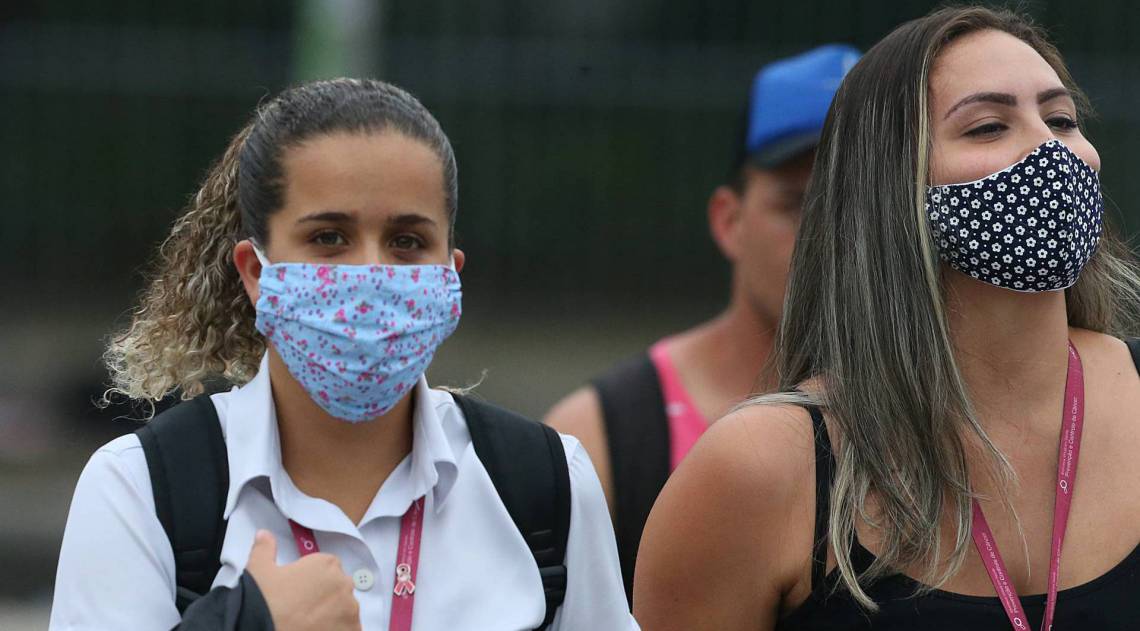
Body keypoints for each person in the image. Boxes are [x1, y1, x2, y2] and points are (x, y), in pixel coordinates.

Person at [50, 78, 634, 631]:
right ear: (256, 273)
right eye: (329, 237)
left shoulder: (547, 485)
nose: (371, 271)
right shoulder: (140, 487)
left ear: (450, 274)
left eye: (408, 241)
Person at [635, 6, 1140, 630]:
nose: (1049, 150)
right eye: (987, 127)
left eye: (1061, 118)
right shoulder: (761, 471)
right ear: (888, 185)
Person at [544, 44, 859, 600]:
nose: (829, 236)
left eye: (858, 206)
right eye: (799, 204)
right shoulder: (603, 439)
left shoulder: (946, 428)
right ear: (728, 220)